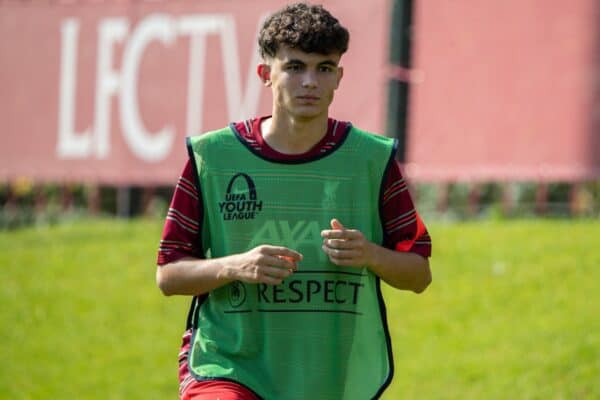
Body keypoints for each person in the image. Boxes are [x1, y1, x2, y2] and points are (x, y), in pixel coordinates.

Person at [156, 3, 432, 399]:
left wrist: (370, 254)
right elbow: (168, 275)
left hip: (323, 376)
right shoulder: (212, 157)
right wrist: (236, 265)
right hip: (226, 365)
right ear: (265, 74)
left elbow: (419, 274)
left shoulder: (371, 160)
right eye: (295, 67)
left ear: (339, 76)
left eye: (323, 68)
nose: (309, 82)